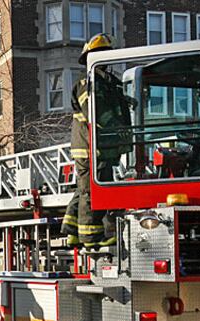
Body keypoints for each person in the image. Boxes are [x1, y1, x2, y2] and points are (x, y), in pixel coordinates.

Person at [61, 33, 125, 250]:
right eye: (99, 55)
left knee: (84, 189)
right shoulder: (86, 85)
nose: (104, 59)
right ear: (90, 58)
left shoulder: (107, 83)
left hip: (101, 148)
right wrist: (117, 127)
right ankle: (90, 238)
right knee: (92, 192)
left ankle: (72, 232)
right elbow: (95, 113)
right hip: (89, 149)